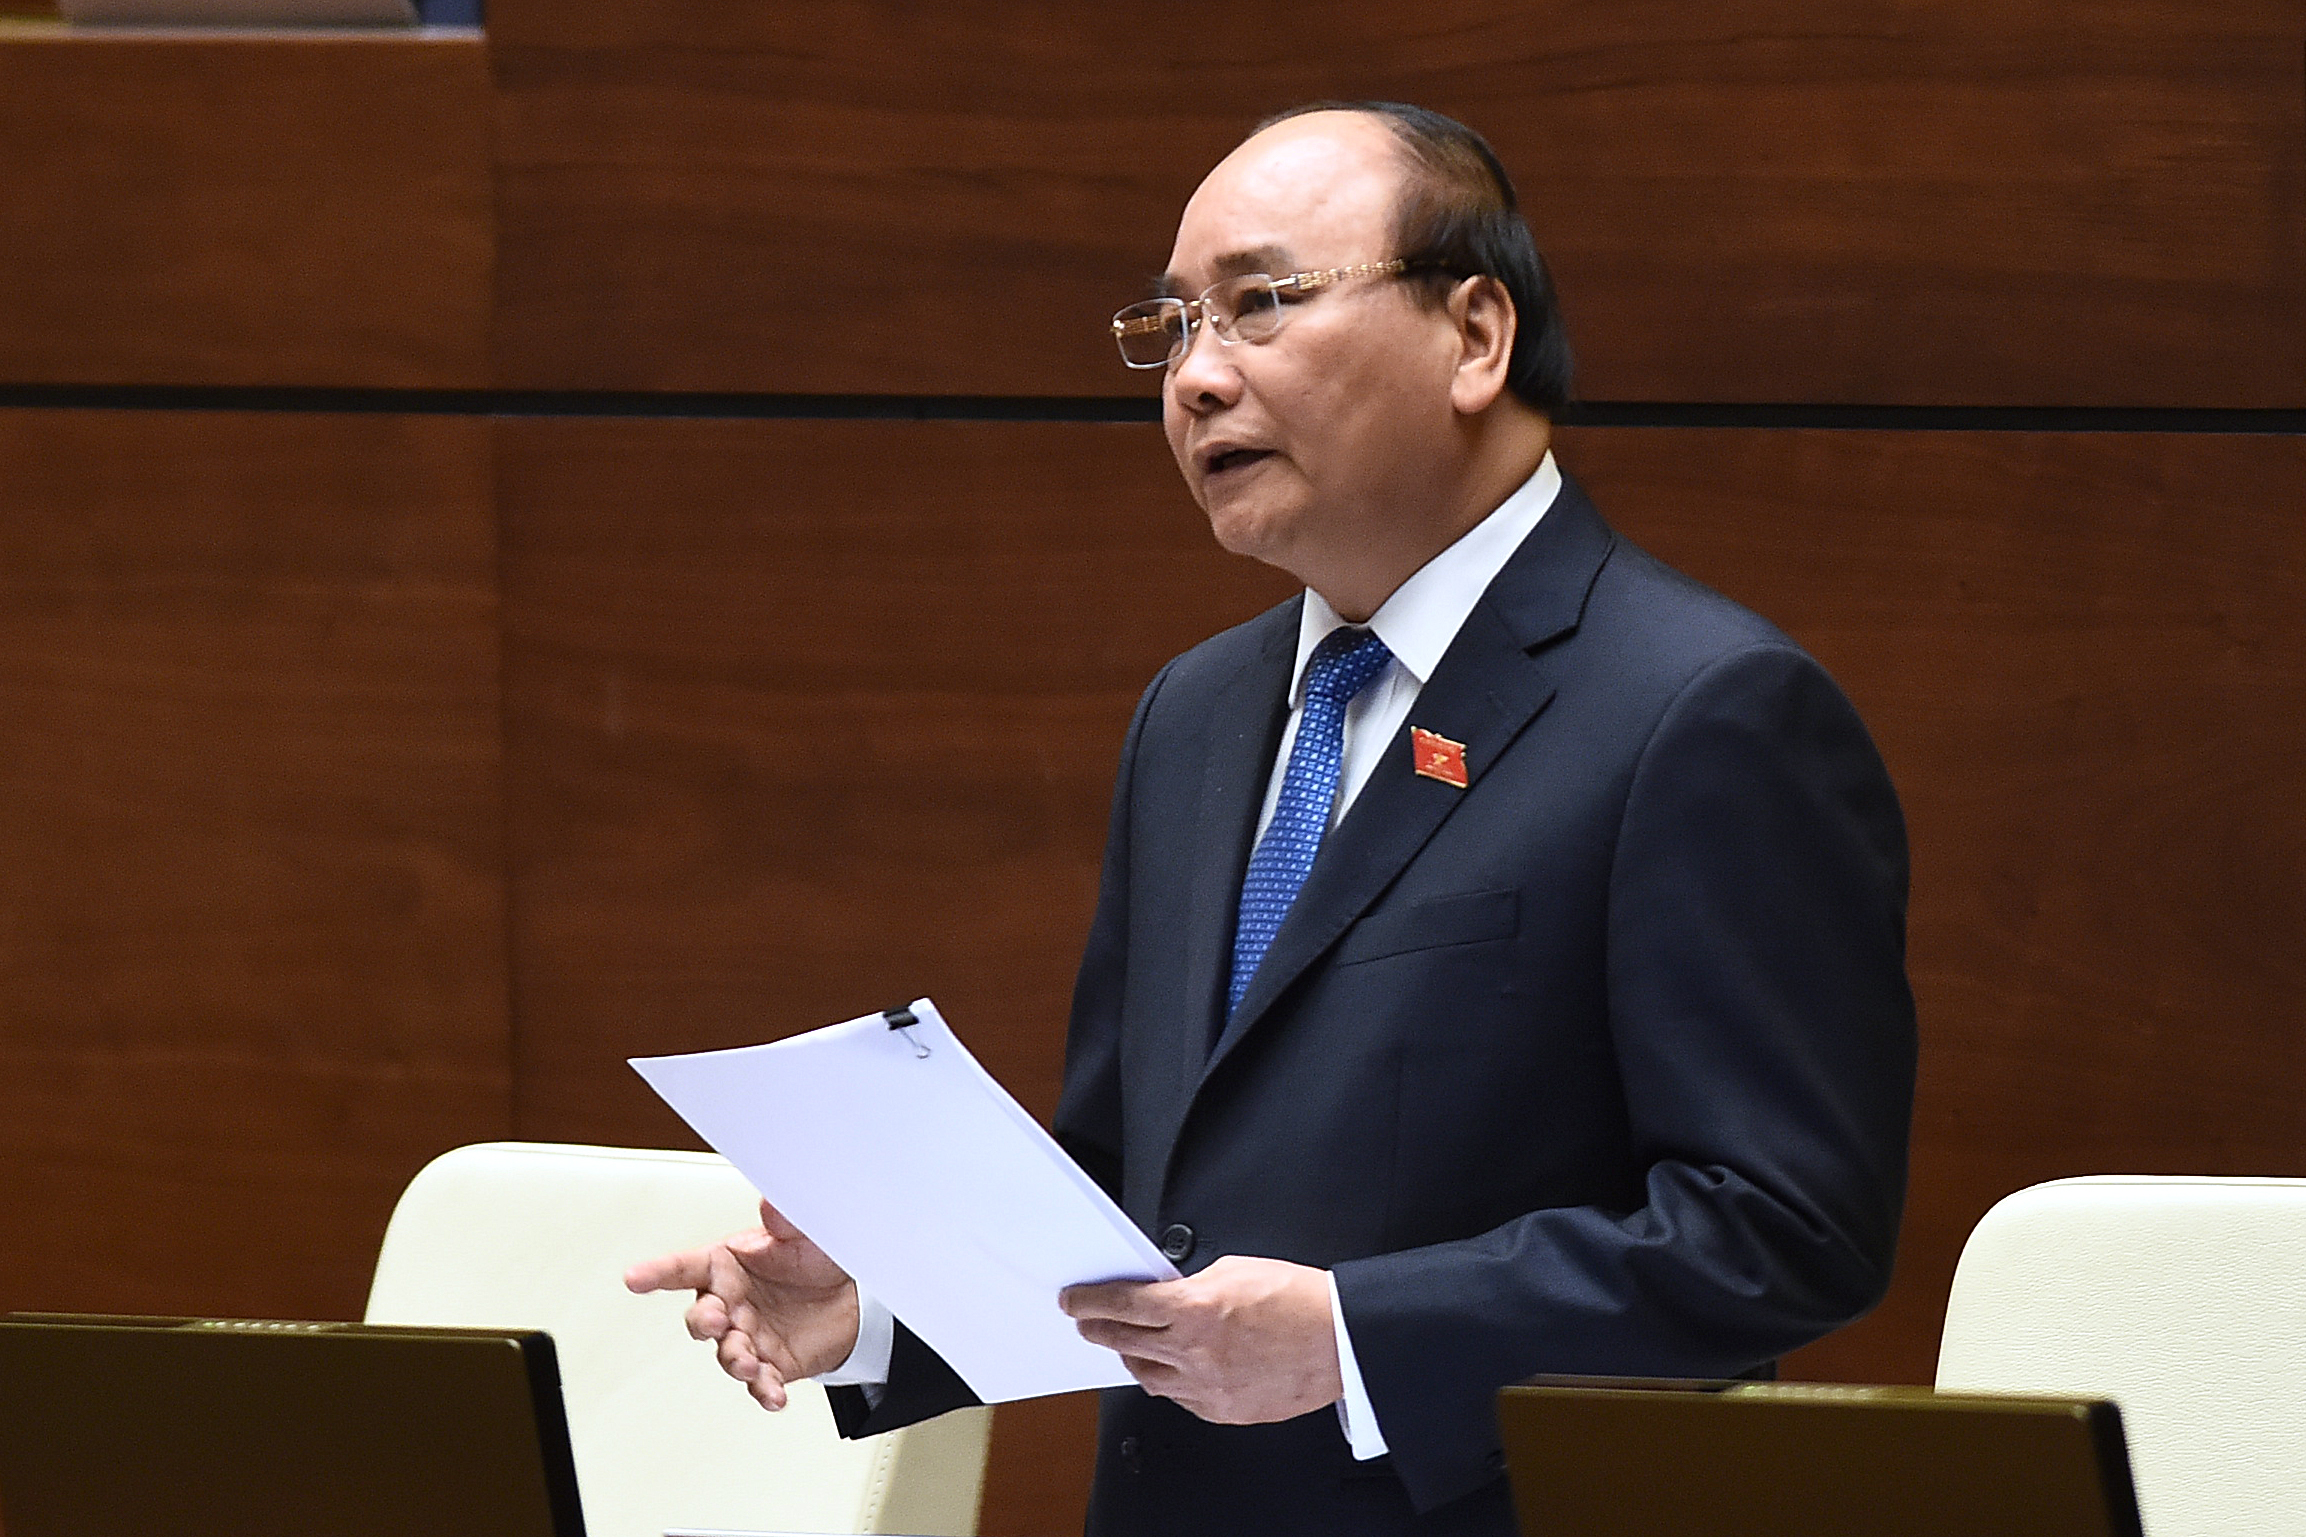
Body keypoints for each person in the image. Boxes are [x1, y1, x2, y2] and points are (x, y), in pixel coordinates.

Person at [628, 101, 1917, 1537]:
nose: (1196, 377)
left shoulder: (1702, 710)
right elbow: (1132, 1202)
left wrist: (1356, 1337)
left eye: (1258, 305)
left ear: (1474, 335)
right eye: (1173, 327)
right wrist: (882, 1308)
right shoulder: (1197, 711)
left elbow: (1782, 1230)